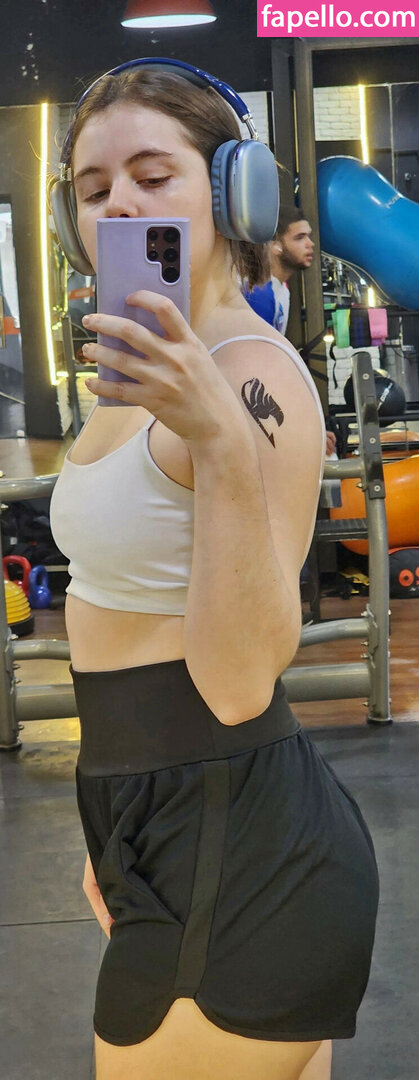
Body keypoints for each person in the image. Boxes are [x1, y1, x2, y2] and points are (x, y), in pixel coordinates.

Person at [49, 61, 379, 1080]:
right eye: (94, 188)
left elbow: (238, 684)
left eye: (153, 175)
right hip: (155, 821)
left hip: (235, 843)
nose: (120, 203)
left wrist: (222, 440)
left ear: (235, 192)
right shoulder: (136, 369)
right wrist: (113, 832)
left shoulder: (250, 373)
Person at [244, 205, 314, 336]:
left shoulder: (282, 288)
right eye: (300, 237)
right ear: (275, 246)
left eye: (308, 236)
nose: (310, 244)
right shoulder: (259, 293)